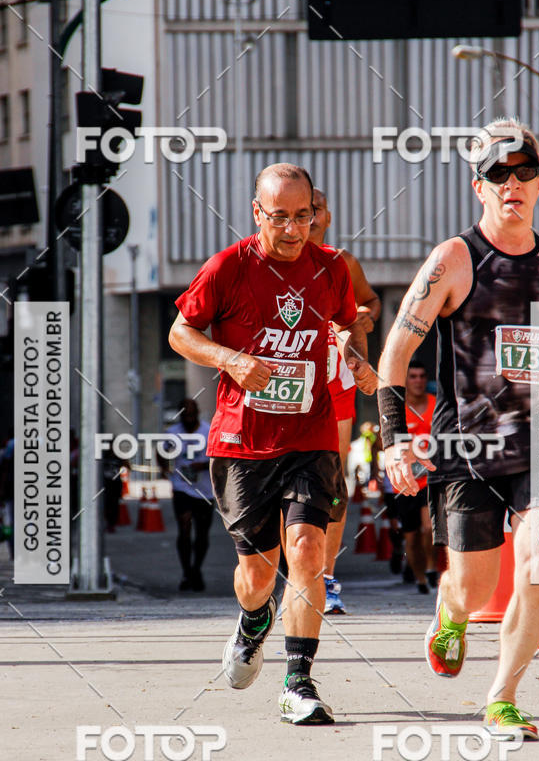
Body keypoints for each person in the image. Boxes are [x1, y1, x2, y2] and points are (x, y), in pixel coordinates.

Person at [377, 118, 539, 740]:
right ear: (479, 187)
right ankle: (449, 612)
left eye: (524, 172)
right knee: (474, 588)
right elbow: (395, 355)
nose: (513, 184)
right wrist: (396, 438)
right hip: (468, 447)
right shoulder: (454, 260)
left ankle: (501, 697)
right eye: (498, 174)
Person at [169, 162, 377, 725]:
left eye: (303, 216)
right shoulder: (229, 268)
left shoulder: (332, 267)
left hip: (309, 437)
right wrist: (230, 358)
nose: (292, 229)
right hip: (243, 445)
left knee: (308, 551)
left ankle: (298, 683)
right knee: (258, 576)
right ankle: (253, 620)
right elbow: (180, 332)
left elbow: (344, 323)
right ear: (257, 212)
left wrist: (355, 357)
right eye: (279, 217)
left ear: (316, 213)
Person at [306, 187, 381, 614]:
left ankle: (328, 578)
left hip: (336, 382)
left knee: (332, 481)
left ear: (327, 216)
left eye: (314, 210)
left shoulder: (341, 263)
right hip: (289, 386)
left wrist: (362, 319)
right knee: (289, 482)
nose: (308, 219)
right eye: (297, 212)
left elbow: (368, 303)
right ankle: (298, 576)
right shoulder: (265, 262)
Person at [382, 360, 437, 595]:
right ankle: (420, 579)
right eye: (412, 376)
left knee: (428, 528)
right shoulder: (398, 410)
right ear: (405, 381)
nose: (418, 381)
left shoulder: (435, 404)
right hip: (404, 481)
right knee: (411, 536)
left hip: (431, 477)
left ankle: (432, 569)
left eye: (422, 376)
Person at [159, 398, 214, 592]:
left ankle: (196, 569)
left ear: (197, 413)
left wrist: (204, 465)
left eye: (192, 414)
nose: (189, 418)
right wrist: (164, 467)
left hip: (205, 490)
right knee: (184, 525)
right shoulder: (173, 433)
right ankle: (186, 572)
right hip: (181, 487)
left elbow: (221, 459)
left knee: (201, 533)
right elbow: (161, 450)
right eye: (185, 415)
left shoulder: (208, 431)